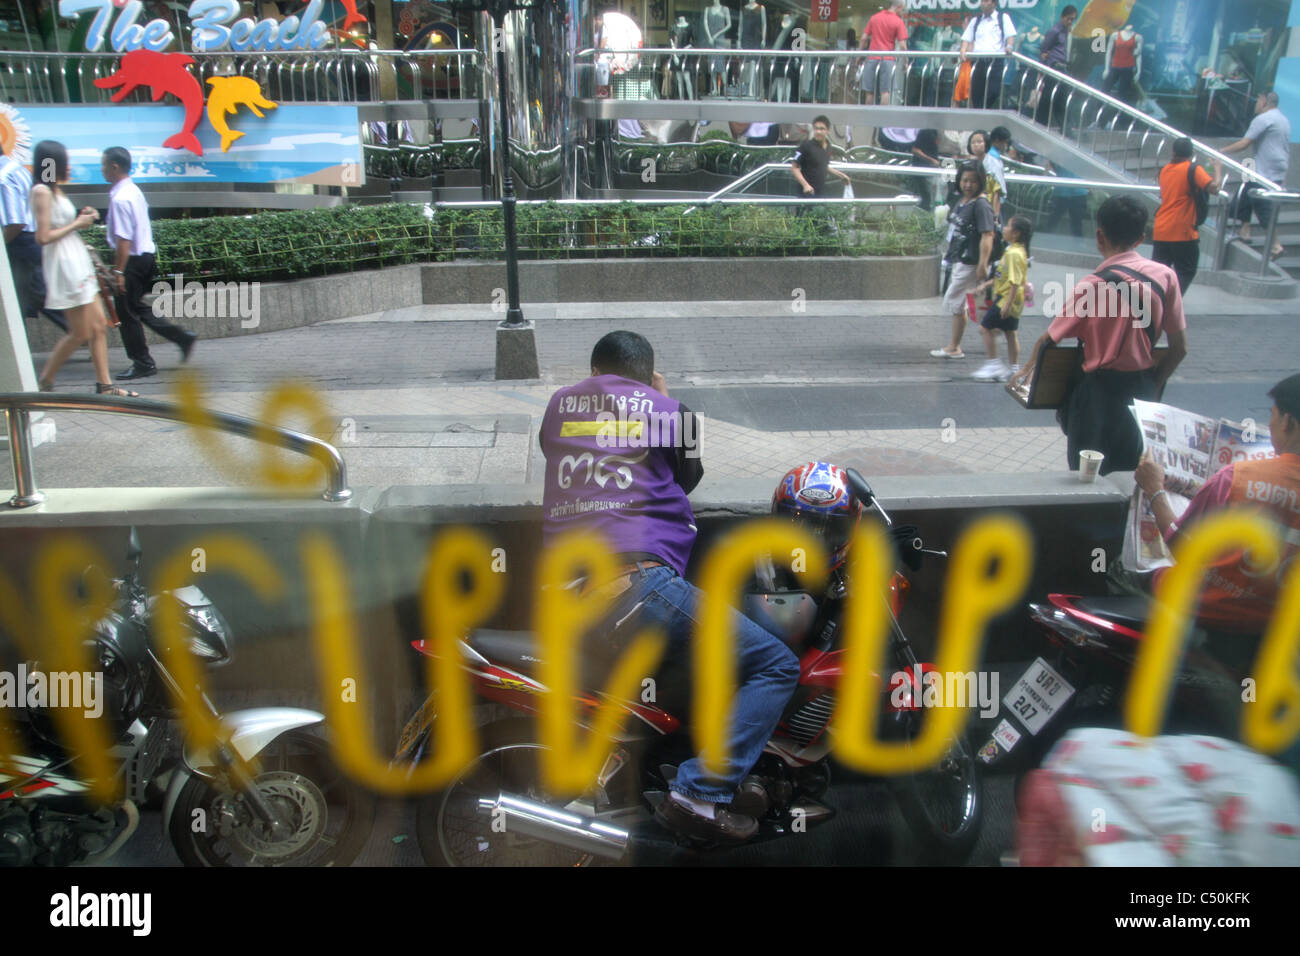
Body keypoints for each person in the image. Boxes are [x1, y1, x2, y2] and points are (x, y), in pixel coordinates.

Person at [539, 331, 800, 844]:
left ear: (594, 370)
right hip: (637, 585)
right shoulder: (673, 412)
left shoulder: (558, 404)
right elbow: (689, 478)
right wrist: (661, 396)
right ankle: (699, 794)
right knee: (774, 663)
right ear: (650, 373)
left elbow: (562, 449)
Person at [1012, 196, 1188, 474]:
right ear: (1141, 238)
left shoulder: (1091, 286)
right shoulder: (1166, 277)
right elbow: (1179, 349)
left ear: (1099, 235)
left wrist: (1023, 373)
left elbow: (1048, 340)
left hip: (1096, 396)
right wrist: (1152, 387)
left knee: (1086, 478)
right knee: (1130, 477)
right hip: (1140, 394)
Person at [28, 141, 137, 398]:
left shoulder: (53, 190)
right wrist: (78, 223)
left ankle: (105, 385)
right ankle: (45, 379)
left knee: (99, 325)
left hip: (75, 260)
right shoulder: (42, 191)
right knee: (81, 332)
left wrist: (81, 218)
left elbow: (60, 225)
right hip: (65, 265)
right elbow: (42, 237)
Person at [102, 147, 196, 381]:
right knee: (135, 306)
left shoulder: (121, 198)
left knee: (126, 313)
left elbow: (124, 240)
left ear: (114, 167)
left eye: (103, 165)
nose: (101, 170)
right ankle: (182, 337)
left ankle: (143, 362)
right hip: (146, 258)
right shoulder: (133, 191)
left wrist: (118, 272)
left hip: (132, 261)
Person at [931, 162, 995, 360]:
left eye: (973, 181)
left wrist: (983, 264)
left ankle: (955, 346)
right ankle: (955, 345)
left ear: (980, 182)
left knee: (956, 300)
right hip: (961, 258)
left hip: (971, 261)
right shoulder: (964, 201)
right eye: (965, 180)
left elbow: (988, 235)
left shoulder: (981, 205)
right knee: (959, 302)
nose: (968, 184)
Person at [1, 151, 67, 334]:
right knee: (23, 298)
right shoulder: (18, 169)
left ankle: (84, 331)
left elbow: (15, 222)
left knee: (39, 296)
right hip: (31, 241)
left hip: (19, 243)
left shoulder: (3, 177)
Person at [1221, 91, 1291, 261]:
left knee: (1262, 205)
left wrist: (1221, 151)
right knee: (1245, 192)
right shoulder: (1283, 119)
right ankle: (1245, 231)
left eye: (1258, 100)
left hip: (1265, 169)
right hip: (1276, 167)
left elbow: (1245, 143)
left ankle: (1276, 245)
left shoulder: (1263, 119)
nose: (1255, 103)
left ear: (1265, 102)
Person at [1151, 137, 1223, 294]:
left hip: (1161, 229)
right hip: (1182, 230)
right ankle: (1169, 303)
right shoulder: (1192, 169)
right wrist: (1217, 169)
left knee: (1158, 274)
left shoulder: (1164, 170)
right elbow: (1214, 188)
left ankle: (1154, 304)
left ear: (1173, 152)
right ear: (1191, 153)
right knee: (1185, 271)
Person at [972, 214, 1030, 382]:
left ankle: (994, 364)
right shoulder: (1015, 251)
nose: (1004, 228)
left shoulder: (1013, 254)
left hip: (1007, 299)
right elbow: (1002, 276)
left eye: (1008, 226)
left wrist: (1006, 305)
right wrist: (986, 285)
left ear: (1016, 233)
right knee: (1010, 333)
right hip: (1013, 300)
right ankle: (1014, 370)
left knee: (985, 328)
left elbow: (1014, 281)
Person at [960, 0, 1016, 110]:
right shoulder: (976, 21)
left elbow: (1010, 35)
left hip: (995, 62)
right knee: (976, 92)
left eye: (986, 1)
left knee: (994, 91)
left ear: (994, 3)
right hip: (978, 62)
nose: (983, 4)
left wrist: (1009, 46)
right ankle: (979, 113)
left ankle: (982, 109)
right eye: (982, 1)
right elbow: (966, 38)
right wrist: (963, 50)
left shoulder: (1002, 18)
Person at [1034, 5, 1077, 128]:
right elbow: (1043, 50)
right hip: (1054, 68)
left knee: (1061, 98)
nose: (1070, 21)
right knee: (1048, 97)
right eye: (1068, 18)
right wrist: (1042, 70)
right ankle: (1040, 124)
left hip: (1062, 69)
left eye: (1072, 19)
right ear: (1062, 17)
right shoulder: (1055, 30)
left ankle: (1065, 128)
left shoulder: (1066, 32)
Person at [859, 0, 908, 106]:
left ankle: (868, 119)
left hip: (872, 58)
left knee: (869, 92)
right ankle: (882, 120)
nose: (903, 12)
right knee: (885, 92)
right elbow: (903, 45)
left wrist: (858, 56)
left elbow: (863, 38)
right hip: (888, 59)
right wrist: (906, 62)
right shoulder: (898, 21)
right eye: (903, 9)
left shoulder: (875, 17)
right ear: (898, 7)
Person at [791, 115, 852, 197]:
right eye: (816, 128)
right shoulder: (805, 146)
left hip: (820, 191)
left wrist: (841, 176)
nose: (818, 132)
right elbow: (794, 168)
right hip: (806, 192)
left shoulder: (828, 146)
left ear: (828, 131)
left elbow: (823, 166)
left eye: (822, 129)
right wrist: (805, 185)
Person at [983, 125, 1011, 220]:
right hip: (994, 205)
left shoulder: (994, 158)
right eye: (1005, 142)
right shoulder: (992, 160)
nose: (1006, 145)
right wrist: (996, 212)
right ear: (997, 140)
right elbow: (996, 188)